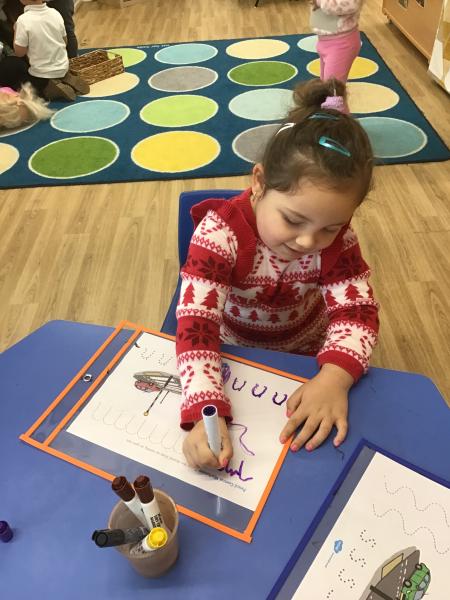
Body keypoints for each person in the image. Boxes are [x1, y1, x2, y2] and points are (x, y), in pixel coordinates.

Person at [176, 77, 379, 470]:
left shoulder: (340, 241)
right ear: (259, 182)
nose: (308, 241)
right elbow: (197, 323)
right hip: (234, 356)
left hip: (309, 358)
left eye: (330, 227)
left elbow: (357, 313)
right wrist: (204, 408)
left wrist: (335, 376)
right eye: (293, 220)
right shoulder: (219, 234)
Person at [13, 0, 87, 101]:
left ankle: (51, 87)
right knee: (55, 69)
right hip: (63, 66)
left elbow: (19, 53)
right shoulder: (55, 13)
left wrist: (16, 31)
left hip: (42, 74)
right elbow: (65, 41)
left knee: (23, 84)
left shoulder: (22, 20)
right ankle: (64, 78)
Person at [310, 0, 363, 107]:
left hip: (341, 44)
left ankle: (338, 116)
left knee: (333, 94)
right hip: (325, 41)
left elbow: (345, 5)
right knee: (326, 87)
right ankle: (331, 114)